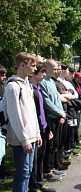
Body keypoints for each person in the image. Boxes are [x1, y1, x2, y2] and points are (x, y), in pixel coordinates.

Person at [5, 52, 42, 191]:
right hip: (21, 139)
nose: (34, 69)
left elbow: (32, 112)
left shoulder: (27, 85)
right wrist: (24, 139)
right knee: (22, 173)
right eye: (32, 66)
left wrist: (37, 133)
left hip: (31, 136)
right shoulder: (13, 87)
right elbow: (15, 116)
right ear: (22, 65)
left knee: (28, 172)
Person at [29, 58, 57, 192]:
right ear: (34, 74)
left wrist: (47, 129)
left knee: (40, 157)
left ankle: (39, 183)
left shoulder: (38, 88)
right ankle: (34, 186)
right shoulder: (30, 89)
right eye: (42, 73)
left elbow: (43, 110)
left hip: (43, 127)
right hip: (36, 129)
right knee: (34, 160)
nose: (44, 75)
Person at [39, 59, 67, 181]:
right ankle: (47, 171)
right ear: (47, 68)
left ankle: (51, 168)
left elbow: (57, 99)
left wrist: (61, 114)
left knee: (55, 144)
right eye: (54, 68)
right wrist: (59, 112)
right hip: (50, 118)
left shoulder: (51, 81)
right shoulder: (42, 82)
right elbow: (47, 102)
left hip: (57, 117)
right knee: (49, 146)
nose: (57, 71)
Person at [0, 65, 13, 182]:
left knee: (2, 150)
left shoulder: (2, 88)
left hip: (3, 123)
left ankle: (3, 172)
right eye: (2, 75)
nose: (4, 78)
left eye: (4, 75)